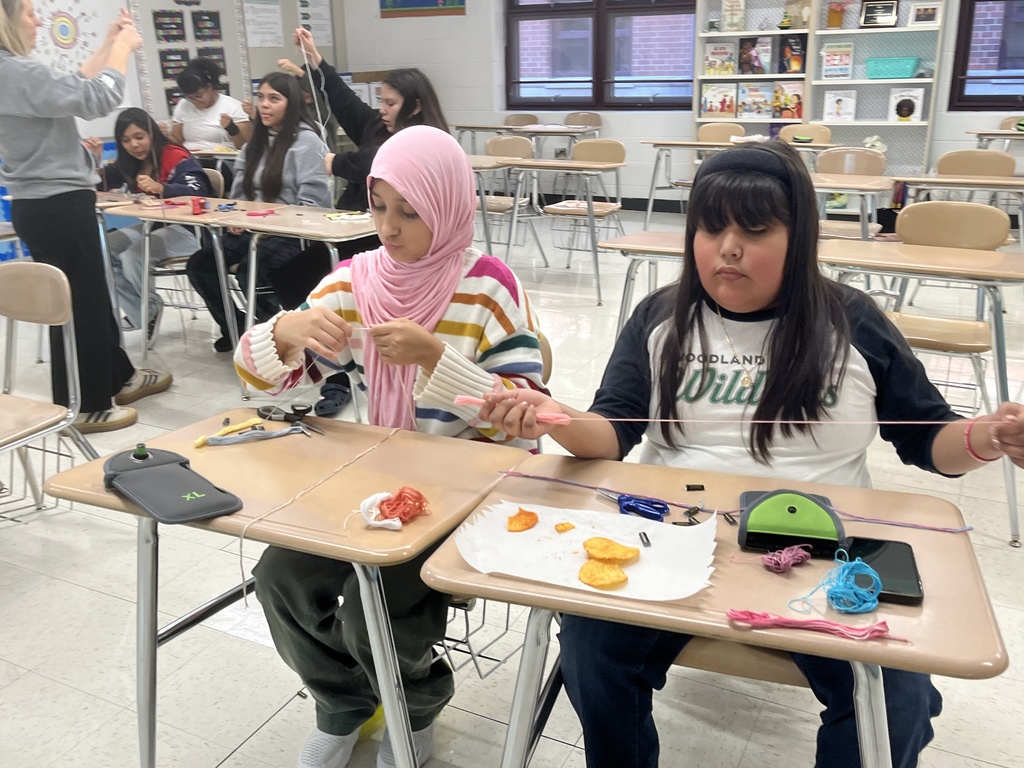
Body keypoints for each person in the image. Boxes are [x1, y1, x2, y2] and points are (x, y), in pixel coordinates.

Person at [473, 142, 1024, 768]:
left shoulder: (851, 322)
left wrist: (988, 437)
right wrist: (555, 417)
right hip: (672, 540)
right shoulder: (661, 318)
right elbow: (612, 434)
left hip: (818, 552)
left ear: (800, 236)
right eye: (710, 227)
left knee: (900, 699)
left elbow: (931, 441)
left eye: (754, 230)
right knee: (591, 651)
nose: (726, 247)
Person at [233, 125, 546, 768]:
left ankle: (415, 705)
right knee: (278, 579)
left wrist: (437, 358)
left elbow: (525, 415)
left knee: (371, 617)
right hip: (370, 482)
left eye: (410, 211)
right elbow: (265, 383)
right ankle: (343, 704)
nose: (390, 227)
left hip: (462, 492)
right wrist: (285, 332)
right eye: (378, 206)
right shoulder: (357, 279)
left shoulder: (488, 288)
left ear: (450, 208)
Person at [0, 1, 171, 434]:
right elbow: (99, 97)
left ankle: (117, 376)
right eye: (30, 12)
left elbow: (76, 83)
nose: (37, 20)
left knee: (87, 300)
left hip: (41, 204)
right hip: (57, 202)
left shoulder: (14, 73)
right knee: (81, 306)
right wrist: (126, 50)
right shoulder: (15, 72)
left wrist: (109, 42)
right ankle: (87, 403)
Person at [278, 27, 451, 417]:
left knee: (311, 279)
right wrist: (316, 61)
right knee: (292, 277)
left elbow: (376, 159)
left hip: (385, 244)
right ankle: (331, 361)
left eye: (391, 103)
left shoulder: (427, 140)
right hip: (353, 233)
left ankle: (340, 374)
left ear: (416, 105)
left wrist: (338, 163)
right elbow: (345, 103)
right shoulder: (379, 125)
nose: (383, 110)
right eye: (382, 102)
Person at [185, 71, 333, 352]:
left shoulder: (308, 142)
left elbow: (313, 206)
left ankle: (281, 339)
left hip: (293, 235)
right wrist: (236, 219)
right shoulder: (255, 143)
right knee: (200, 265)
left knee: (253, 272)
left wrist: (273, 223)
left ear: (291, 105)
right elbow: (240, 195)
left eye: (274, 99)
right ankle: (238, 330)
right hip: (254, 231)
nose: (264, 105)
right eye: (261, 98)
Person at [86, 108, 213, 343]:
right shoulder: (129, 163)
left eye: (139, 137)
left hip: (189, 231)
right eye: (126, 140)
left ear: (152, 134)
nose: (134, 145)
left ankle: (149, 309)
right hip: (154, 228)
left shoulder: (176, 157)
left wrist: (163, 189)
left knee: (133, 257)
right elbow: (100, 184)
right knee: (104, 250)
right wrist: (95, 159)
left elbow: (201, 193)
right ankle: (142, 313)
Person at [169, 58, 252, 152]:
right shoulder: (184, 105)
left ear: (211, 87)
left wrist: (232, 128)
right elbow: (176, 139)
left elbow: (245, 147)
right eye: (190, 98)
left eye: (198, 96)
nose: (195, 101)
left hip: (221, 160)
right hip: (190, 158)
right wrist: (162, 136)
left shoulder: (234, 107)